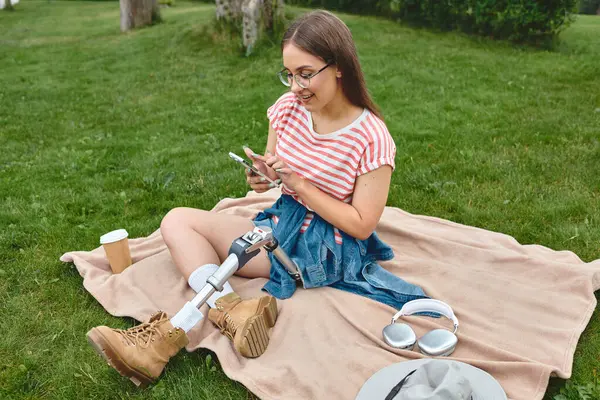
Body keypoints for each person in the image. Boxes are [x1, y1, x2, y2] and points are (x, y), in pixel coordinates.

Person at [85, 9, 429, 387]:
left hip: (325, 246)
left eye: (306, 73)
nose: (296, 86)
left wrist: (299, 185)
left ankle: (160, 343)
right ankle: (232, 311)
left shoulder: (371, 137)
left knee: (193, 231)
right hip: (281, 222)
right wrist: (263, 178)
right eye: (290, 73)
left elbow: (362, 226)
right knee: (175, 220)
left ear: (340, 66)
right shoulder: (287, 109)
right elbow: (275, 172)